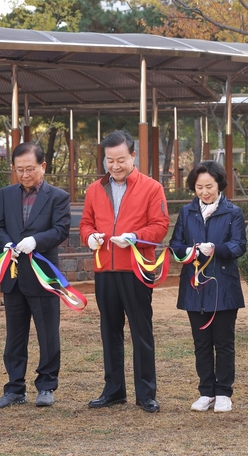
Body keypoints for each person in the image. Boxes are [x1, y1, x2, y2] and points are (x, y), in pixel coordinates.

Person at [80, 130, 169, 413]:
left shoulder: (152, 187)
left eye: (120, 159)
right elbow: (85, 223)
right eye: (109, 160)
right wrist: (89, 237)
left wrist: (135, 237)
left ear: (133, 156)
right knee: (109, 331)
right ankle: (114, 390)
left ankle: (146, 394)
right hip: (105, 268)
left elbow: (160, 225)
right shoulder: (94, 189)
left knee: (141, 331)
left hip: (137, 268)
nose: (115, 166)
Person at [0, 142, 71, 408]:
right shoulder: (6, 194)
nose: (24, 175)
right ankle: (14, 388)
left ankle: (46, 385)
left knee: (48, 334)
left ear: (43, 166)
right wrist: (5, 243)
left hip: (43, 276)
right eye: (19, 169)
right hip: (13, 276)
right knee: (14, 335)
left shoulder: (57, 196)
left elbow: (61, 230)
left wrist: (36, 241)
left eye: (30, 169)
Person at [169, 161, 246, 413]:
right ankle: (205, 391)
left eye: (209, 186)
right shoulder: (187, 212)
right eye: (199, 187)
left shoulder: (232, 212)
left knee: (223, 341)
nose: (204, 192)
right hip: (194, 285)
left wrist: (216, 249)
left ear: (220, 185)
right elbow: (175, 244)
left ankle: (224, 391)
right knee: (201, 342)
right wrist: (188, 251)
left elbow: (238, 245)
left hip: (223, 285)